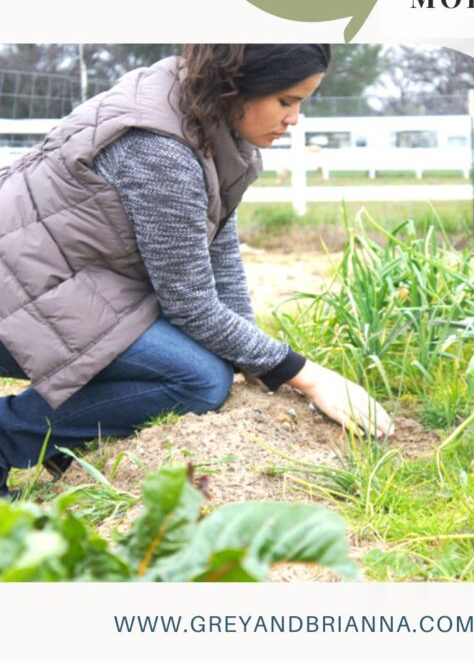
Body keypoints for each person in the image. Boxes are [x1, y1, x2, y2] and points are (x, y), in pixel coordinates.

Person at [0, 44, 391, 499]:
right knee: (199, 378)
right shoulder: (160, 149)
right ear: (236, 86)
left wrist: (255, 361)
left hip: (57, 283)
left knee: (209, 362)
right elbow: (190, 302)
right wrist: (309, 375)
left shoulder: (203, 120)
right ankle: (11, 436)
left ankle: (65, 437)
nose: (294, 119)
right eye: (286, 101)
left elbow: (218, 259)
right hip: (17, 293)